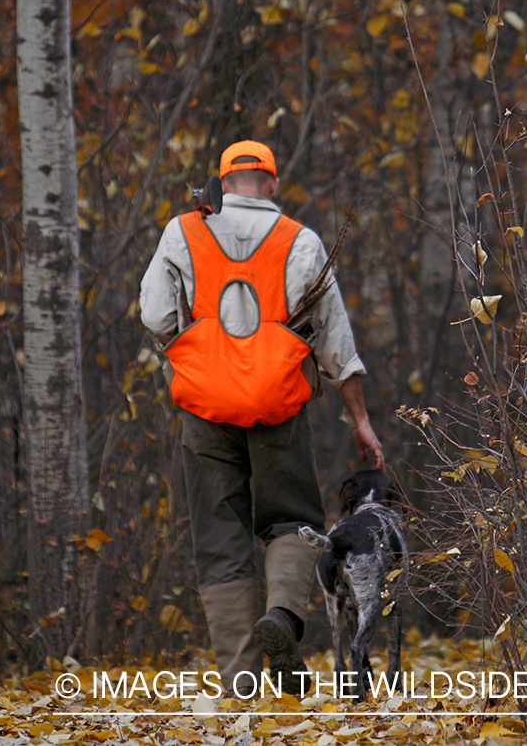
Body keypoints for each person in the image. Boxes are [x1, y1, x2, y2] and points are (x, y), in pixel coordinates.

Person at [140, 140, 385, 697]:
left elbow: (154, 313)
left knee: (219, 534)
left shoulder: (183, 232)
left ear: (223, 184)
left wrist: (192, 352)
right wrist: (361, 421)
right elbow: (336, 344)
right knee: (290, 518)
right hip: (278, 406)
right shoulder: (300, 241)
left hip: (205, 409)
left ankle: (242, 681)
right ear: (272, 184)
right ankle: (281, 615)